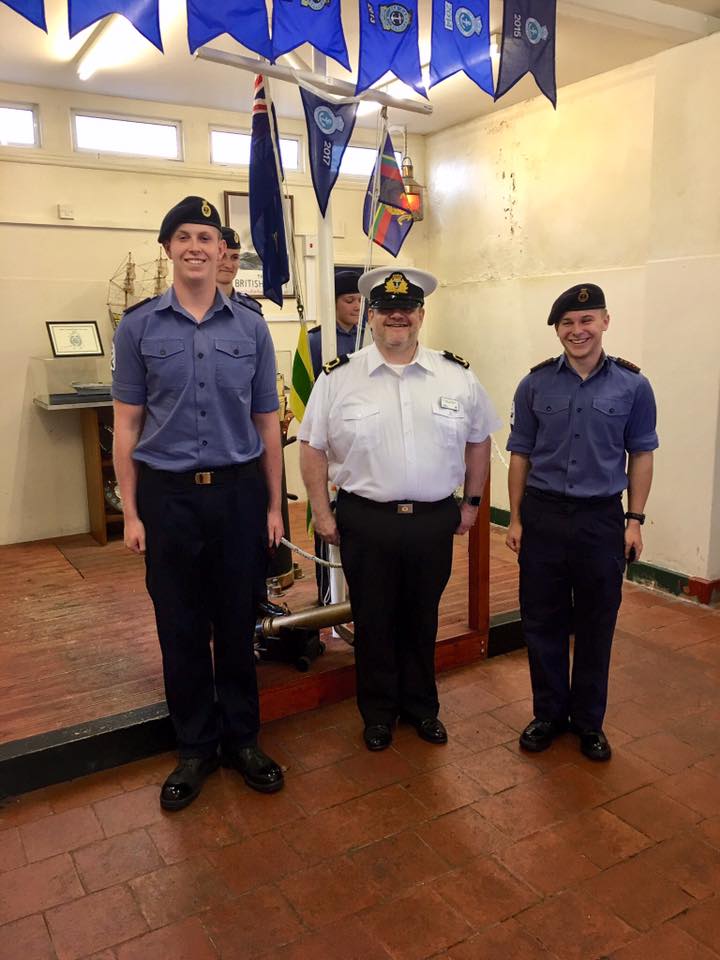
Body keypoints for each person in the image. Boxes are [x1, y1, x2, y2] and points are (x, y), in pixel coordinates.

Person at [112, 196, 285, 810]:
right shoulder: (138, 327)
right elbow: (126, 425)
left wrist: (275, 507)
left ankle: (243, 740)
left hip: (238, 494)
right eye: (183, 236)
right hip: (169, 497)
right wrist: (132, 512)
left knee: (237, 622)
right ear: (168, 249)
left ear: (221, 251)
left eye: (206, 238)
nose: (195, 247)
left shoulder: (252, 327)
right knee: (180, 625)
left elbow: (267, 423)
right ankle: (194, 748)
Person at [299, 267, 501, 751]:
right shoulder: (338, 378)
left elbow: (479, 441)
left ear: (421, 315)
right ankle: (378, 714)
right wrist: (322, 513)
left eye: (406, 309)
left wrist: (472, 504)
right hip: (366, 521)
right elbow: (311, 447)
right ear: (370, 317)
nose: (397, 317)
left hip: (432, 520)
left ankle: (421, 707)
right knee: (374, 621)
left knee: (422, 617)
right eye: (387, 310)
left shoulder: (456, 375)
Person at [505, 283, 658, 762]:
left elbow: (642, 454)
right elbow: (520, 454)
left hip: (600, 521)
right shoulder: (534, 385)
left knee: (597, 623)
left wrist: (634, 520)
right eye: (567, 323)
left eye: (587, 320)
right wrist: (515, 519)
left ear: (605, 322)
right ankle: (549, 714)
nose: (577, 330)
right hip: (543, 516)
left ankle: (589, 723)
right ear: (557, 330)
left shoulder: (634, 386)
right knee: (541, 620)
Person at [307, 270, 363, 605]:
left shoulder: (369, 337)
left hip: (362, 443)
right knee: (327, 517)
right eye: (349, 300)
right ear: (335, 303)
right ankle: (327, 595)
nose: (356, 306)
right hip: (330, 441)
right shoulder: (317, 341)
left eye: (359, 300)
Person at [307, 270, 362, 378]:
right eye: (349, 301)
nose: (358, 307)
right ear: (334, 302)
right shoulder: (316, 339)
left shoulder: (371, 335)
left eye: (361, 301)